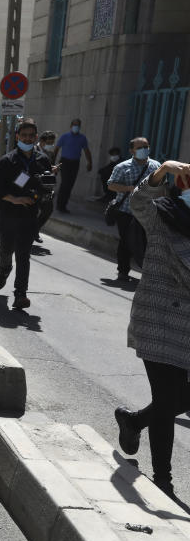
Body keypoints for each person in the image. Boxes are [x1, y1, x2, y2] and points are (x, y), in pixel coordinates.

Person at [113, 159, 190, 501]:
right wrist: (163, 170)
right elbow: (138, 201)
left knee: (173, 399)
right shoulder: (163, 213)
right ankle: (164, 481)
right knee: (167, 398)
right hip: (158, 319)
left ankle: (134, 422)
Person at [0, 119, 52, 309]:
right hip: (8, 214)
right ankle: (5, 269)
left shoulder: (42, 160)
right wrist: (15, 199)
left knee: (24, 256)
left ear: (36, 137)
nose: (27, 138)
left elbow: (46, 186)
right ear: (17, 137)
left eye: (31, 136)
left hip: (29, 216)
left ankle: (20, 294)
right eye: (23, 135)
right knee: (6, 251)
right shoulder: (7, 160)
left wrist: (44, 190)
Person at [107, 137, 161, 283]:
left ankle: (147, 273)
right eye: (140, 147)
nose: (144, 149)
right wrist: (129, 188)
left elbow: (162, 186)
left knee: (145, 242)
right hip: (126, 211)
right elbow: (111, 185)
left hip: (147, 212)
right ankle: (123, 271)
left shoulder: (156, 166)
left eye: (146, 146)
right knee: (126, 241)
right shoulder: (122, 167)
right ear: (131, 150)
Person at [53, 118, 93, 212]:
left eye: (78, 125)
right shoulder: (64, 136)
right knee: (65, 183)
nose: (76, 127)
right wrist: (53, 162)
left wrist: (89, 162)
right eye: (74, 125)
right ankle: (60, 205)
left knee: (70, 185)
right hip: (64, 162)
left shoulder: (82, 138)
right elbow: (56, 149)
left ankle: (64, 205)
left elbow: (86, 151)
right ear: (71, 126)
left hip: (75, 163)